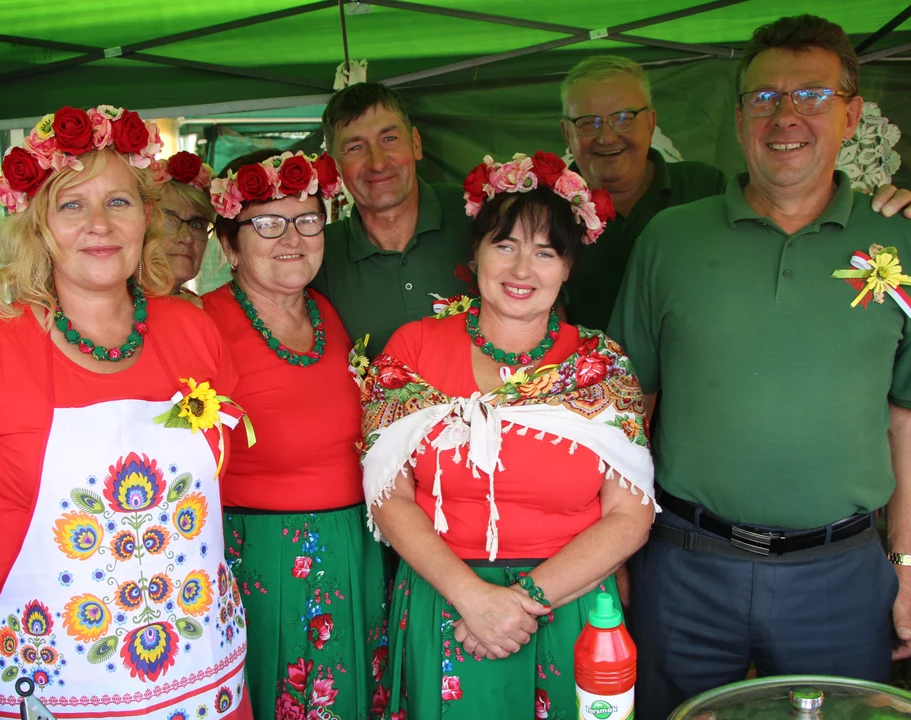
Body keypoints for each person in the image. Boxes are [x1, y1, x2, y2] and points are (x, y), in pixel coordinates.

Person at [608, 16, 911, 719]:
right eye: (763, 97)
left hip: (840, 577)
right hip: (685, 568)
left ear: (852, 113)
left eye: (810, 95)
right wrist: (612, 555)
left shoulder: (897, 239)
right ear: (738, 111)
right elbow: (624, 408)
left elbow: (906, 416)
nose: (784, 117)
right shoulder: (669, 239)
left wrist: (908, 566)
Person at [0, 105, 252, 720]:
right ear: (39, 225)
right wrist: (29, 606)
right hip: (53, 672)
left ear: (146, 217)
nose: (99, 224)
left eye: (118, 202)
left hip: (198, 670)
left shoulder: (192, 332)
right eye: (72, 205)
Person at [362, 150, 655, 718]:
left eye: (545, 253)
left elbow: (630, 515)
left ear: (568, 267)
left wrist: (521, 603)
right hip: (445, 601)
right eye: (506, 245)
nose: (523, 270)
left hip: (564, 606)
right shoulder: (414, 350)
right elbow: (388, 496)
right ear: (476, 254)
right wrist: (473, 598)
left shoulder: (601, 365)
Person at [201, 149, 389, 719]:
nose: (292, 237)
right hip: (257, 561)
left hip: (351, 551)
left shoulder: (328, 314)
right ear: (230, 244)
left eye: (307, 220)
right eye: (267, 223)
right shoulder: (201, 324)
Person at [560, 54, 911, 332]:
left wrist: (881, 210)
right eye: (587, 123)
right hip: (580, 403)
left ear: (651, 123)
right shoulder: (545, 208)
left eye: (624, 118)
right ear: (566, 133)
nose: (607, 137)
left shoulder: (704, 187)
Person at [314, 82, 475, 359]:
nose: (377, 163)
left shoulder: (477, 213)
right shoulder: (318, 254)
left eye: (389, 139)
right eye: (355, 147)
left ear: (415, 143)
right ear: (333, 165)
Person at [150, 150, 216, 304]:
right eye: (170, 220)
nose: (187, 237)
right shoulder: (117, 310)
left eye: (197, 224)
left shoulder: (203, 309)